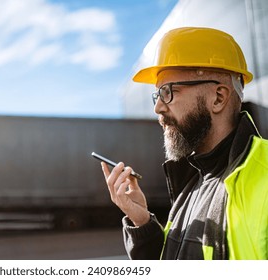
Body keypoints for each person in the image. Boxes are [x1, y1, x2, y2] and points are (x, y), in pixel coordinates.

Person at [101, 27, 268, 260]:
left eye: (168, 91)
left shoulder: (264, 176)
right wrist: (142, 223)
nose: (157, 107)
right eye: (157, 94)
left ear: (218, 98)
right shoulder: (193, 183)